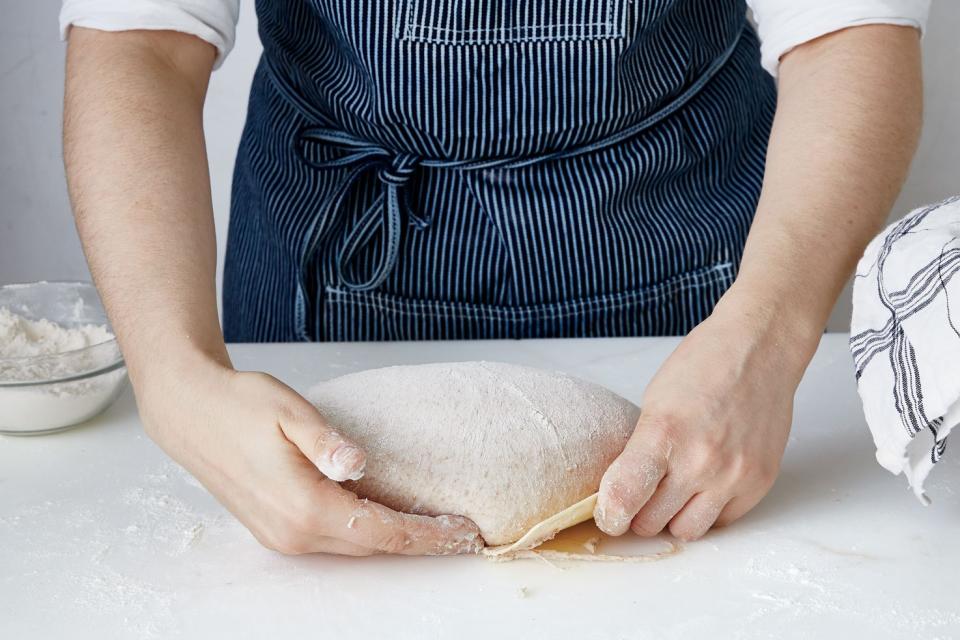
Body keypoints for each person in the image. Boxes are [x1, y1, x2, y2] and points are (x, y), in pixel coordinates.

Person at [60, 0, 929, 556]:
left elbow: (846, 29)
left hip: (682, 244)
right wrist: (174, 377)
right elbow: (138, 38)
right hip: (335, 245)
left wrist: (769, 334)